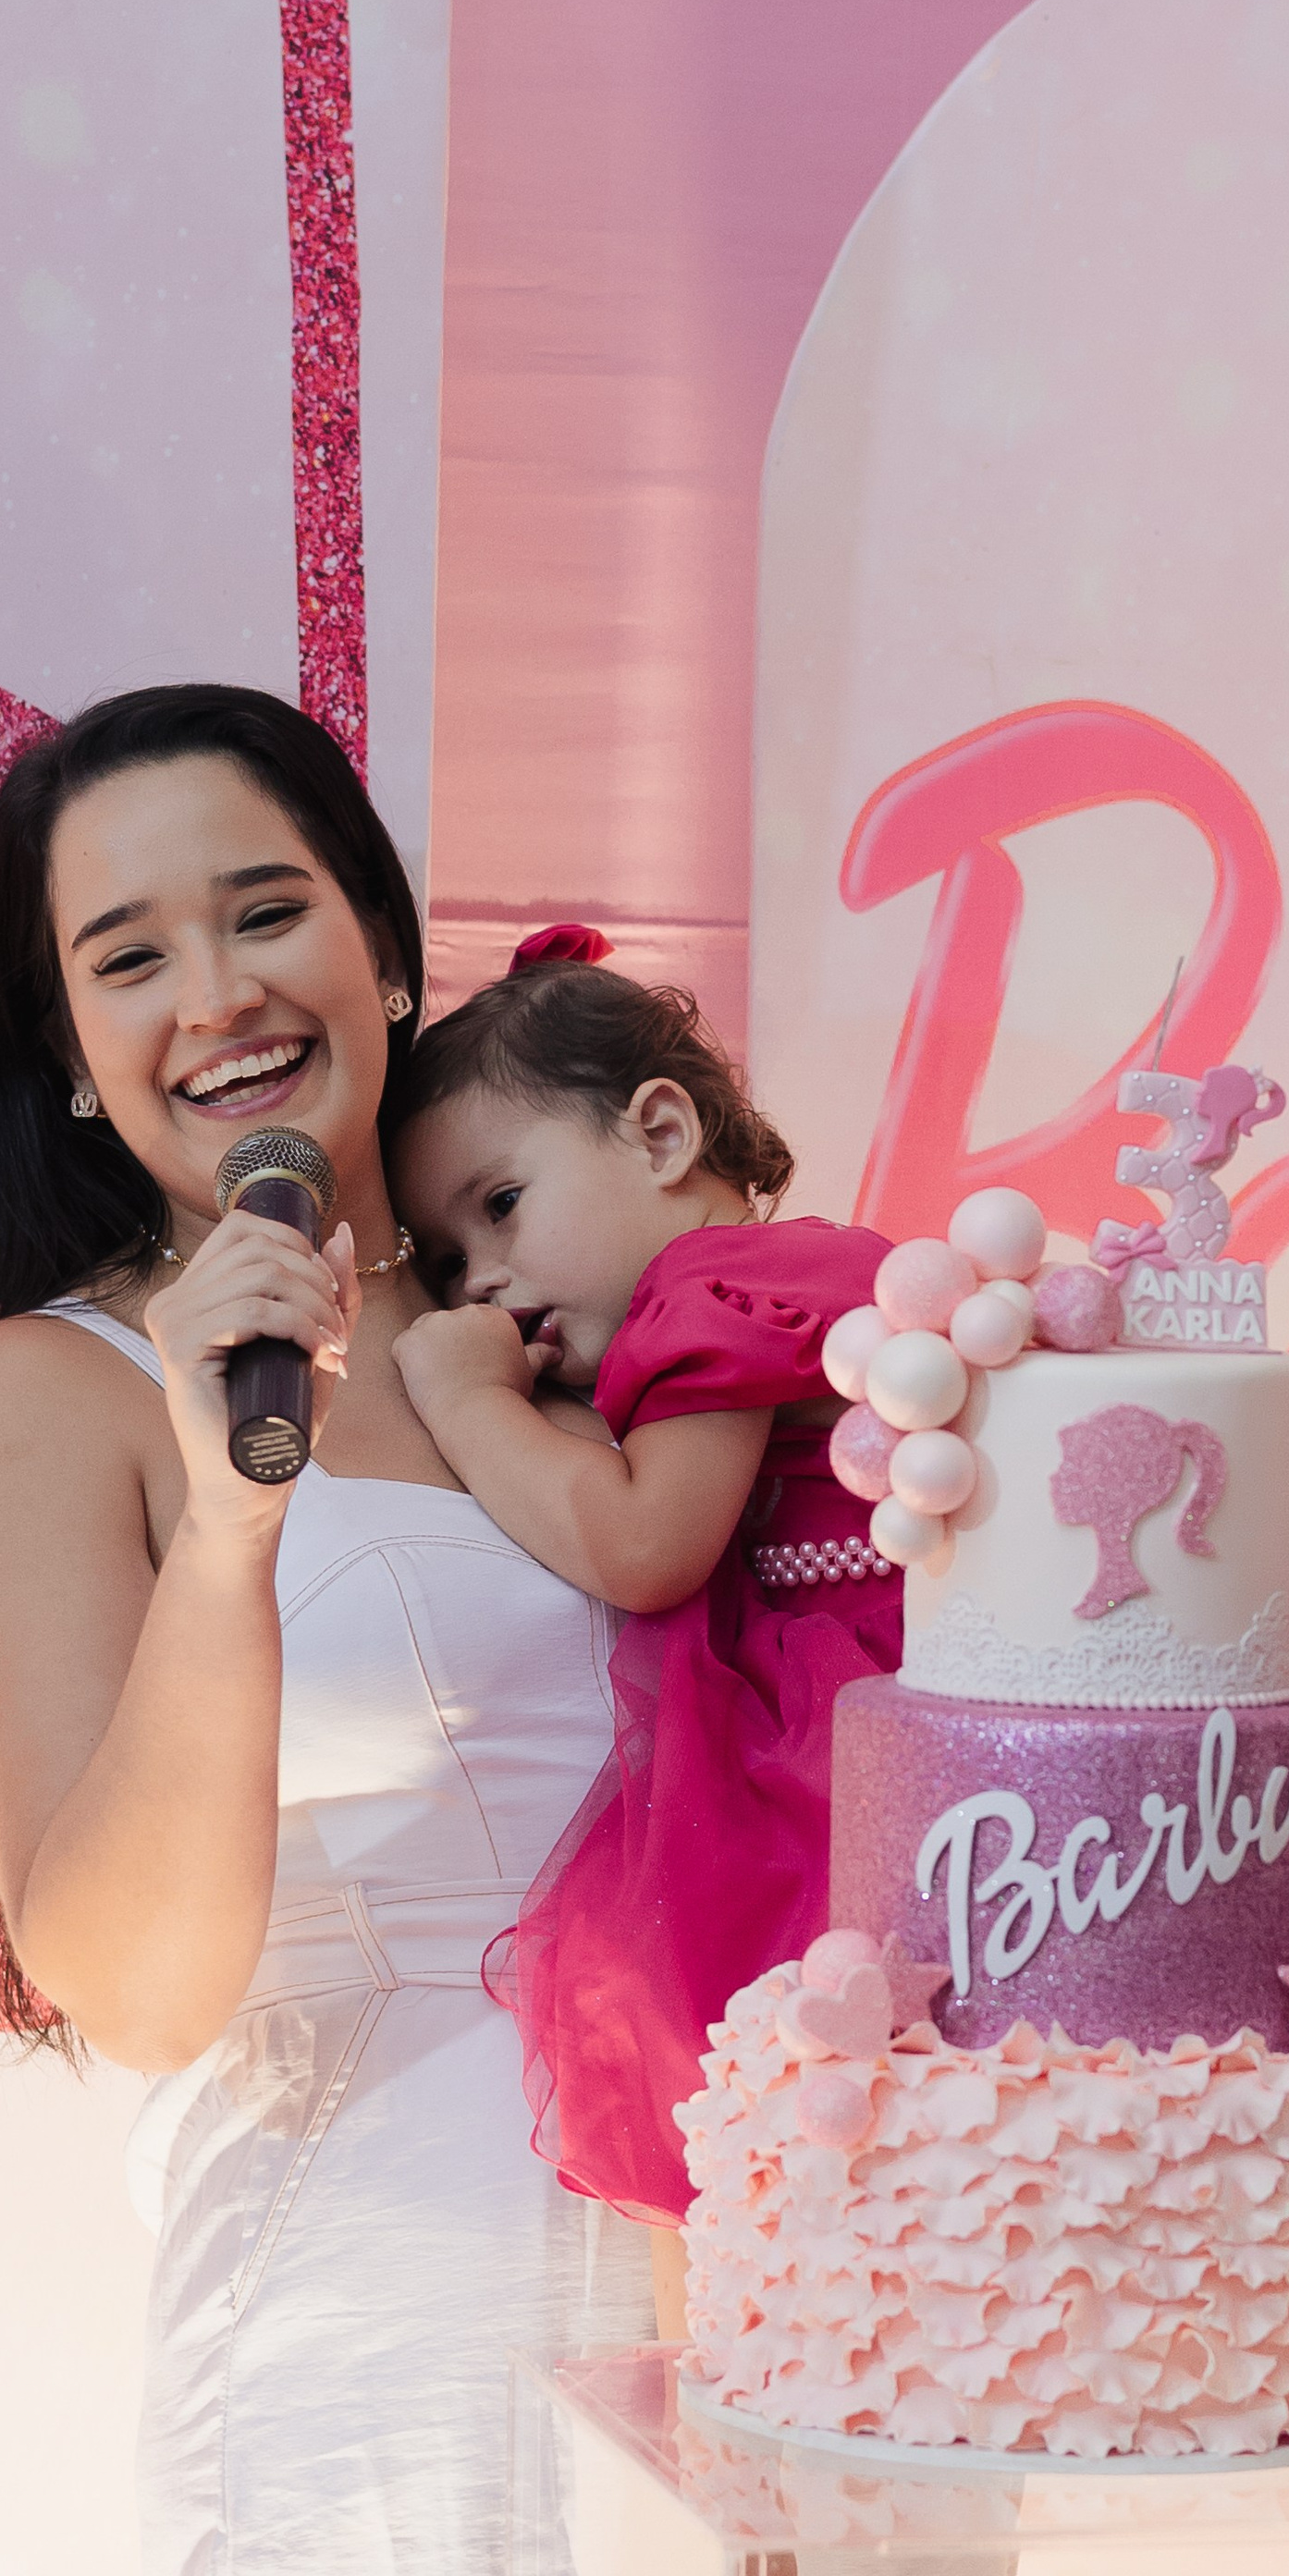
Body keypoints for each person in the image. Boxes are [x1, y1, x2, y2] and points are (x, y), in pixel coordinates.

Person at [0, 689, 653, 2576]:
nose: (215, 992)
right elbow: (136, 1984)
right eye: (128, 954)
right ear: (65, 1042)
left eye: (263, 910)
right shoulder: (45, 1403)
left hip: (746, 2301)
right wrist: (234, 1519)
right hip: (383, 2343)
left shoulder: (574, 1325)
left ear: (386, 946)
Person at [386, 940, 901, 2317]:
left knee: (730, 2078)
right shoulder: (796, 1271)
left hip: (856, 1758)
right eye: (447, 1261)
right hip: (922, 1731)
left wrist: (465, 1401)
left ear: (661, 1133)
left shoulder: (711, 1295)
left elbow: (642, 1547)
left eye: (502, 1206)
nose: (480, 1280)